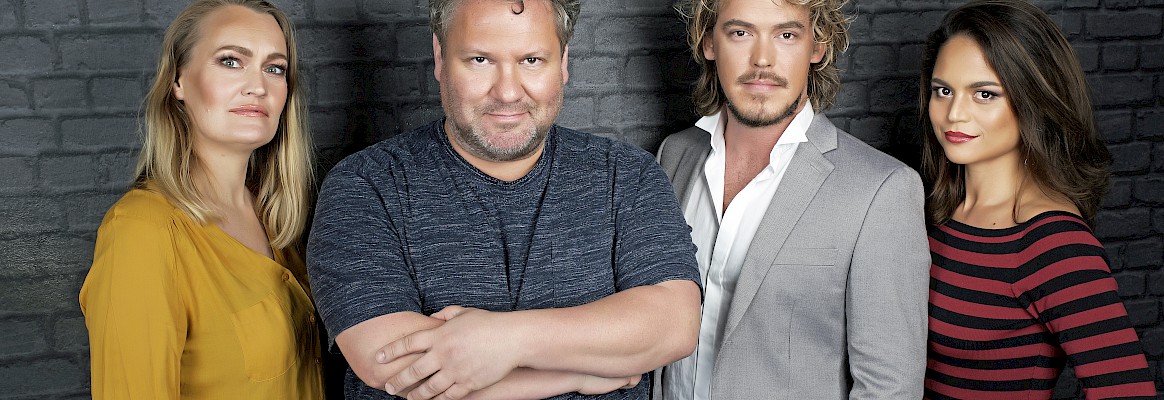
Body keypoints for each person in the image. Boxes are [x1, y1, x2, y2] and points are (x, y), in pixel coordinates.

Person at [305, 0, 702, 399]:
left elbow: (674, 323)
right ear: (440, 57)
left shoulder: (627, 174)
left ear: (563, 61)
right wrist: (579, 375)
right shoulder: (366, 184)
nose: (508, 92)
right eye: (480, 60)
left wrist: (506, 340)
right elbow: (391, 364)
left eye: (531, 60)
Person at [656, 0, 930, 398]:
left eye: (786, 35)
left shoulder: (882, 190)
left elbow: (891, 388)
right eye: (741, 33)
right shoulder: (674, 156)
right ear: (709, 42)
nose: (762, 59)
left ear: (817, 46)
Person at [78, 0, 322, 398]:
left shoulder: (273, 218)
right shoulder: (142, 232)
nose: (258, 86)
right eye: (230, 61)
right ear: (178, 81)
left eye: (275, 68)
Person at [919, 1, 1158, 399]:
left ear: (1033, 100)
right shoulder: (933, 213)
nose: (954, 114)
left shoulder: (1053, 244)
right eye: (943, 91)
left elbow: (1127, 390)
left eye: (984, 94)